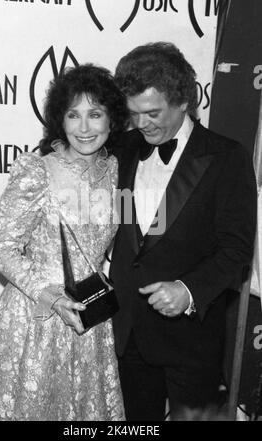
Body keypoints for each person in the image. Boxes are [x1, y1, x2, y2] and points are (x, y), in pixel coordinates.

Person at [0, 64, 129, 421]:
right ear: (60, 120)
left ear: (112, 120)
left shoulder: (117, 170)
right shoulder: (37, 171)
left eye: (95, 114)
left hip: (91, 317)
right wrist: (51, 296)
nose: (84, 128)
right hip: (36, 318)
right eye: (73, 115)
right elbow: (2, 248)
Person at [109, 42, 257, 420]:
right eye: (134, 114)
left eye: (153, 113)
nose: (142, 124)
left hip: (192, 338)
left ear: (183, 102)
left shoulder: (226, 157)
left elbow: (236, 250)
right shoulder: (124, 147)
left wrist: (187, 290)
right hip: (130, 334)